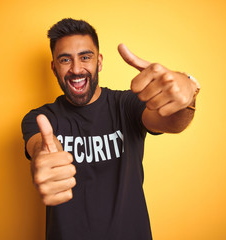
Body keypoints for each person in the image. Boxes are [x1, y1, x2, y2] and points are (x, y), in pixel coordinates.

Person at [21, 18, 200, 240]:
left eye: (85, 57)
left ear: (100, 62)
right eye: (65, 59)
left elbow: (173, 122)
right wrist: (43, 159)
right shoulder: (40, 118)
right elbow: (39, 147)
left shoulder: (127, 104)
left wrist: (188, 93)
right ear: (54, 67)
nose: (76, 69)